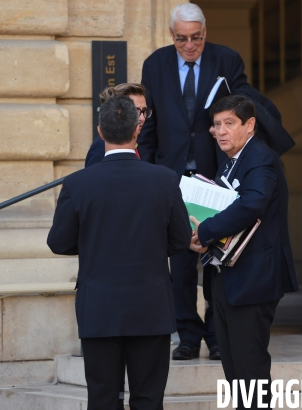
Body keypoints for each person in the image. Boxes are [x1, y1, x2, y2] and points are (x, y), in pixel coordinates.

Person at [47, 95, 191, 410]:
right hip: (151, 307)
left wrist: (92, 243)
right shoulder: (165, 180)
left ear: (100, 131)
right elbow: (180, 240)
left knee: (102, 399)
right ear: (137, 129)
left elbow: (59, 242)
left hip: (99, 308)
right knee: (149, 399)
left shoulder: (77, 184)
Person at [137, 1, 252, 361]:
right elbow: (149, 125)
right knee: (181, 261)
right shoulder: (155, 64)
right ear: (172, 35)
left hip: (216, 177)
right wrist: (152, 172)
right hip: (172, 178)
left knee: (216, 259)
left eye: (197, 38)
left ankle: (217, 335)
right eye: (182, 39)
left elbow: (242, 110)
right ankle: (187, 335)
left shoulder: (227, 60)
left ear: (205, 34)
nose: (190, 46)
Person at [189, 95, 298, 409]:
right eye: (217, 124)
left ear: (250, 125)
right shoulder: (232, 159)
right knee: (235, 372)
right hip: (229, 276)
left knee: (249, 371)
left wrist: (205, 231)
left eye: (229, 123)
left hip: (254, 280)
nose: (220, 131)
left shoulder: (261, 157)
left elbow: (251, 205)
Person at [84, 83, 152, 167]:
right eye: (135, 111)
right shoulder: (103, 145)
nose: (142, 118)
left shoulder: (139, 141)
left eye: (144, 111)